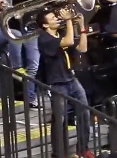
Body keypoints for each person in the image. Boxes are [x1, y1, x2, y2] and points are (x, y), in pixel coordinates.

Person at [36, 9, 91, 158]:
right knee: (60, 119)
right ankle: (59, 154)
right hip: (57, 83)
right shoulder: (44, 38)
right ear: (45, 25)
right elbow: (69, 41)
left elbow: (82, 48)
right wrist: (68, 21)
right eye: (53, 18)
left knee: (85, 113)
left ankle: (83, 149)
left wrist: (82, 27)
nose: (57, 19)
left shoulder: (60, 34)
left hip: (72, 80)